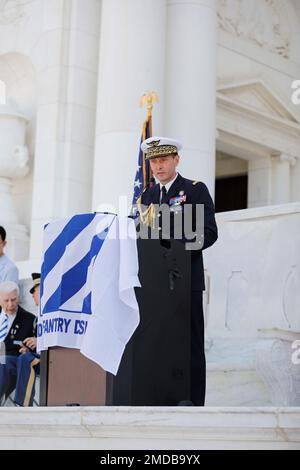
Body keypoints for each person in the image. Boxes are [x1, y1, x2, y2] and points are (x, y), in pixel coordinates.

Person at [138, 136, 218, 406]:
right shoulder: (146, 197)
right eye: (153, 162)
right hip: (153, 284)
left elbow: (208, 232)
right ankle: (158, 396)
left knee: (189, 344)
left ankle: (192, 400)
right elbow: (141, 236)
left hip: (185, 281)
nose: (158, 167)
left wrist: (177, 247)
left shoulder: (195, 190)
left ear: (176, 160)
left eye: (163, 160)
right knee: (157, 342)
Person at [0, 281, 36, 404]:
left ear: (18, 298)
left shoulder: (29, 319)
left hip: (12, 362)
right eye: (6, 301)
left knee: (2, 362)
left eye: (13, 300)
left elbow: (35, 347)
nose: (10, 304)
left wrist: (28, 349)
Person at [13, 273, 41, 406]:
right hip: (39, 356)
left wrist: (38, 342)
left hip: (53, 359)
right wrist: (29, 347)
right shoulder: (39, 317)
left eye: (34, 291)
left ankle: (22, 405)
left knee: (26, 359)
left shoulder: (52, 314)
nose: (32, 295)